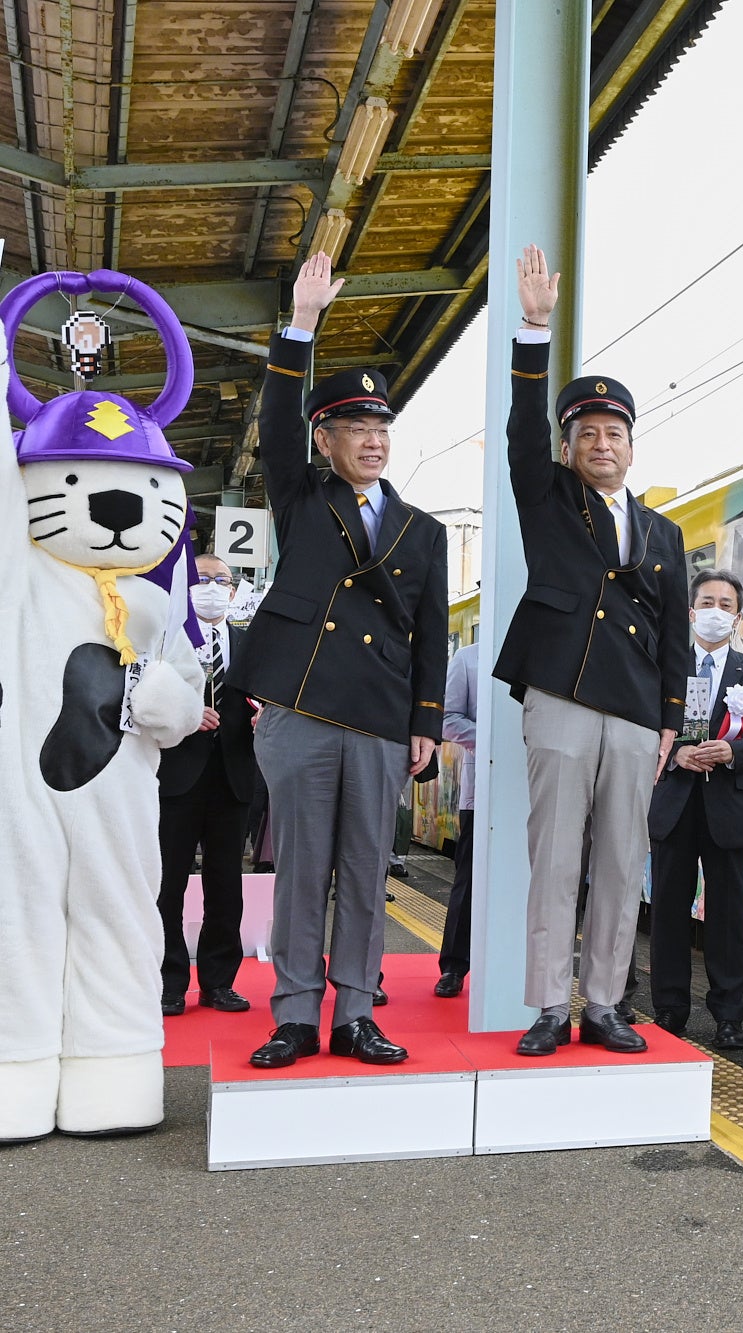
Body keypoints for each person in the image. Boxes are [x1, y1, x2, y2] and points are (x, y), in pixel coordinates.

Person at [227, 252, 448, 1070]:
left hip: (383, 717)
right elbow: (278, 417)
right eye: (358, 428)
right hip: (301, 708)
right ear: (327, 438)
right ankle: (291, 1013)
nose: (374, 441)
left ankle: (356, 1012)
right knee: (299, 870)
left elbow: (432, 634)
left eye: (383, 429)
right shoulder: (302, 495)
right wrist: (302, 323)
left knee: (363, 871)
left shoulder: (423, 531)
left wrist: (426, 722)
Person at [492, 244, 691, 1058]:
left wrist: (673, 719)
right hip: (563, 696)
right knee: (555, 854)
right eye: (586, 432)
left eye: (615, 432)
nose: (601, 442)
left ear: (632, 447)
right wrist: (534, 331)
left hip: (638, 710)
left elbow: (677, 631)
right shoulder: (546, 498)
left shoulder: (665, 534)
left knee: (619, 859)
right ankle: (548, 1003)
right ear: (567, 444)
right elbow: (518, 434)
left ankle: (604, 1002)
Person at [647, 569, 743, 1049]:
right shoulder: (665, 668)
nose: (716, 612)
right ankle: (668, 1008)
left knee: (728, 917)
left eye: (726, 604)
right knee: (667, 911)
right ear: (691, 611)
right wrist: (674, 753)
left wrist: (733, 753)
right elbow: (646, 723)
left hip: (728, 807)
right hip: (674, 804)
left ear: (738, 616)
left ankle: (729, 1016)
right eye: (708, 602)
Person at [156, 554, 257, 1017]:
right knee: (167, 883)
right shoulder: (164, 639)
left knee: (226, 884)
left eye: (222, 580)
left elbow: (272, 697)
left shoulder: (252, 643)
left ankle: (219, 981)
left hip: (233, 778)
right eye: (201, 579)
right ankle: (168, 980)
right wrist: (184, 712)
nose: (212, 587)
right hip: (175, 776)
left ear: (233, 591)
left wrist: (267, 718)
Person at [434, 639, 480, 998]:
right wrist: (491, 740)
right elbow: (448, 719)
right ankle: (454, 965)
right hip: (480, 791)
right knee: (468, 876)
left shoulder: (544, 652)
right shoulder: (467, 659)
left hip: (534, 789)